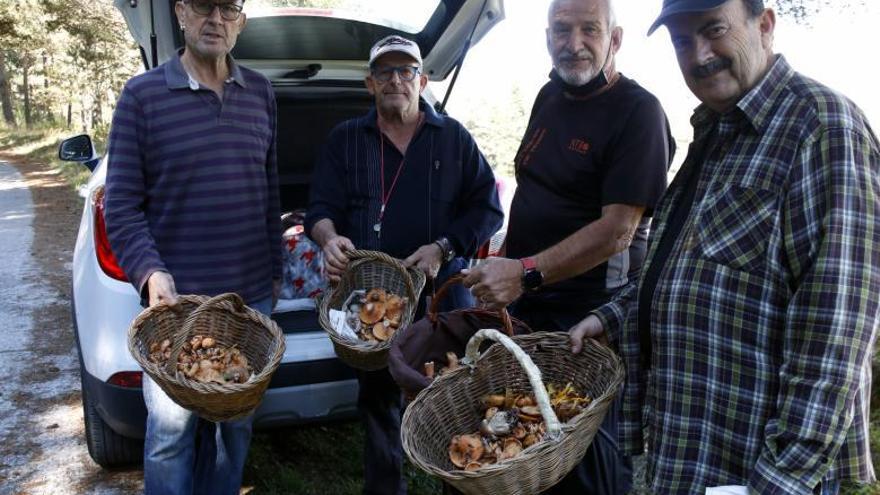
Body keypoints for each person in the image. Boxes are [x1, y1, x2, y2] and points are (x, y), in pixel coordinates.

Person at [569, 0, 880, 493]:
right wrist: (611, 317)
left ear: (765, 24)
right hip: (690, 449)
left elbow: (835, 336)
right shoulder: (716, 130)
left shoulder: (822, 126)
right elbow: (682, 264)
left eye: (714, 29)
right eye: (681, 41)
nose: (699, 55)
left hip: (753, 471)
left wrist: (779, 481)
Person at [462, 0, 674, 493]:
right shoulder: (548, 96)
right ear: (547, 36)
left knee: (587, 455)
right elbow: (534, 194)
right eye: (561, 29)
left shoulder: (639, 112)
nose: (573, 42)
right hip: (530, 307)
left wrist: (525, 272)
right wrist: (502, 268)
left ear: (615, 40)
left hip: (591, 318)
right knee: (530, 437)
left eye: (589, 30)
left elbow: (618, 230)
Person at [305, 35, 503, 495]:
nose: (396, 79)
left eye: (406, 70)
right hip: (370, 303)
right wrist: (329, 238)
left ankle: (459, 484)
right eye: (385, 72)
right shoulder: (345, 140)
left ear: (422, 80)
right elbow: (319, 210)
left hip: (441, 301)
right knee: (377, 405)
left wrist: (443, 247)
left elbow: (488, 209)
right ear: (369, 84)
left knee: (452, 401)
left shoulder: (452, 138)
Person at [104, 0, 281, 493]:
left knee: (236, 427)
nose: (216, 19)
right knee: (170, 433)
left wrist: (275, 268)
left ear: (241, 21)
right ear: (181, 13)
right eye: (204, 5)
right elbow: (120, 206)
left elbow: (268, 191)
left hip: (247, 302)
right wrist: (149, 271)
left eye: (228, 8)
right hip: (176, 307)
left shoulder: (261, 93)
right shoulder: (142, 96)